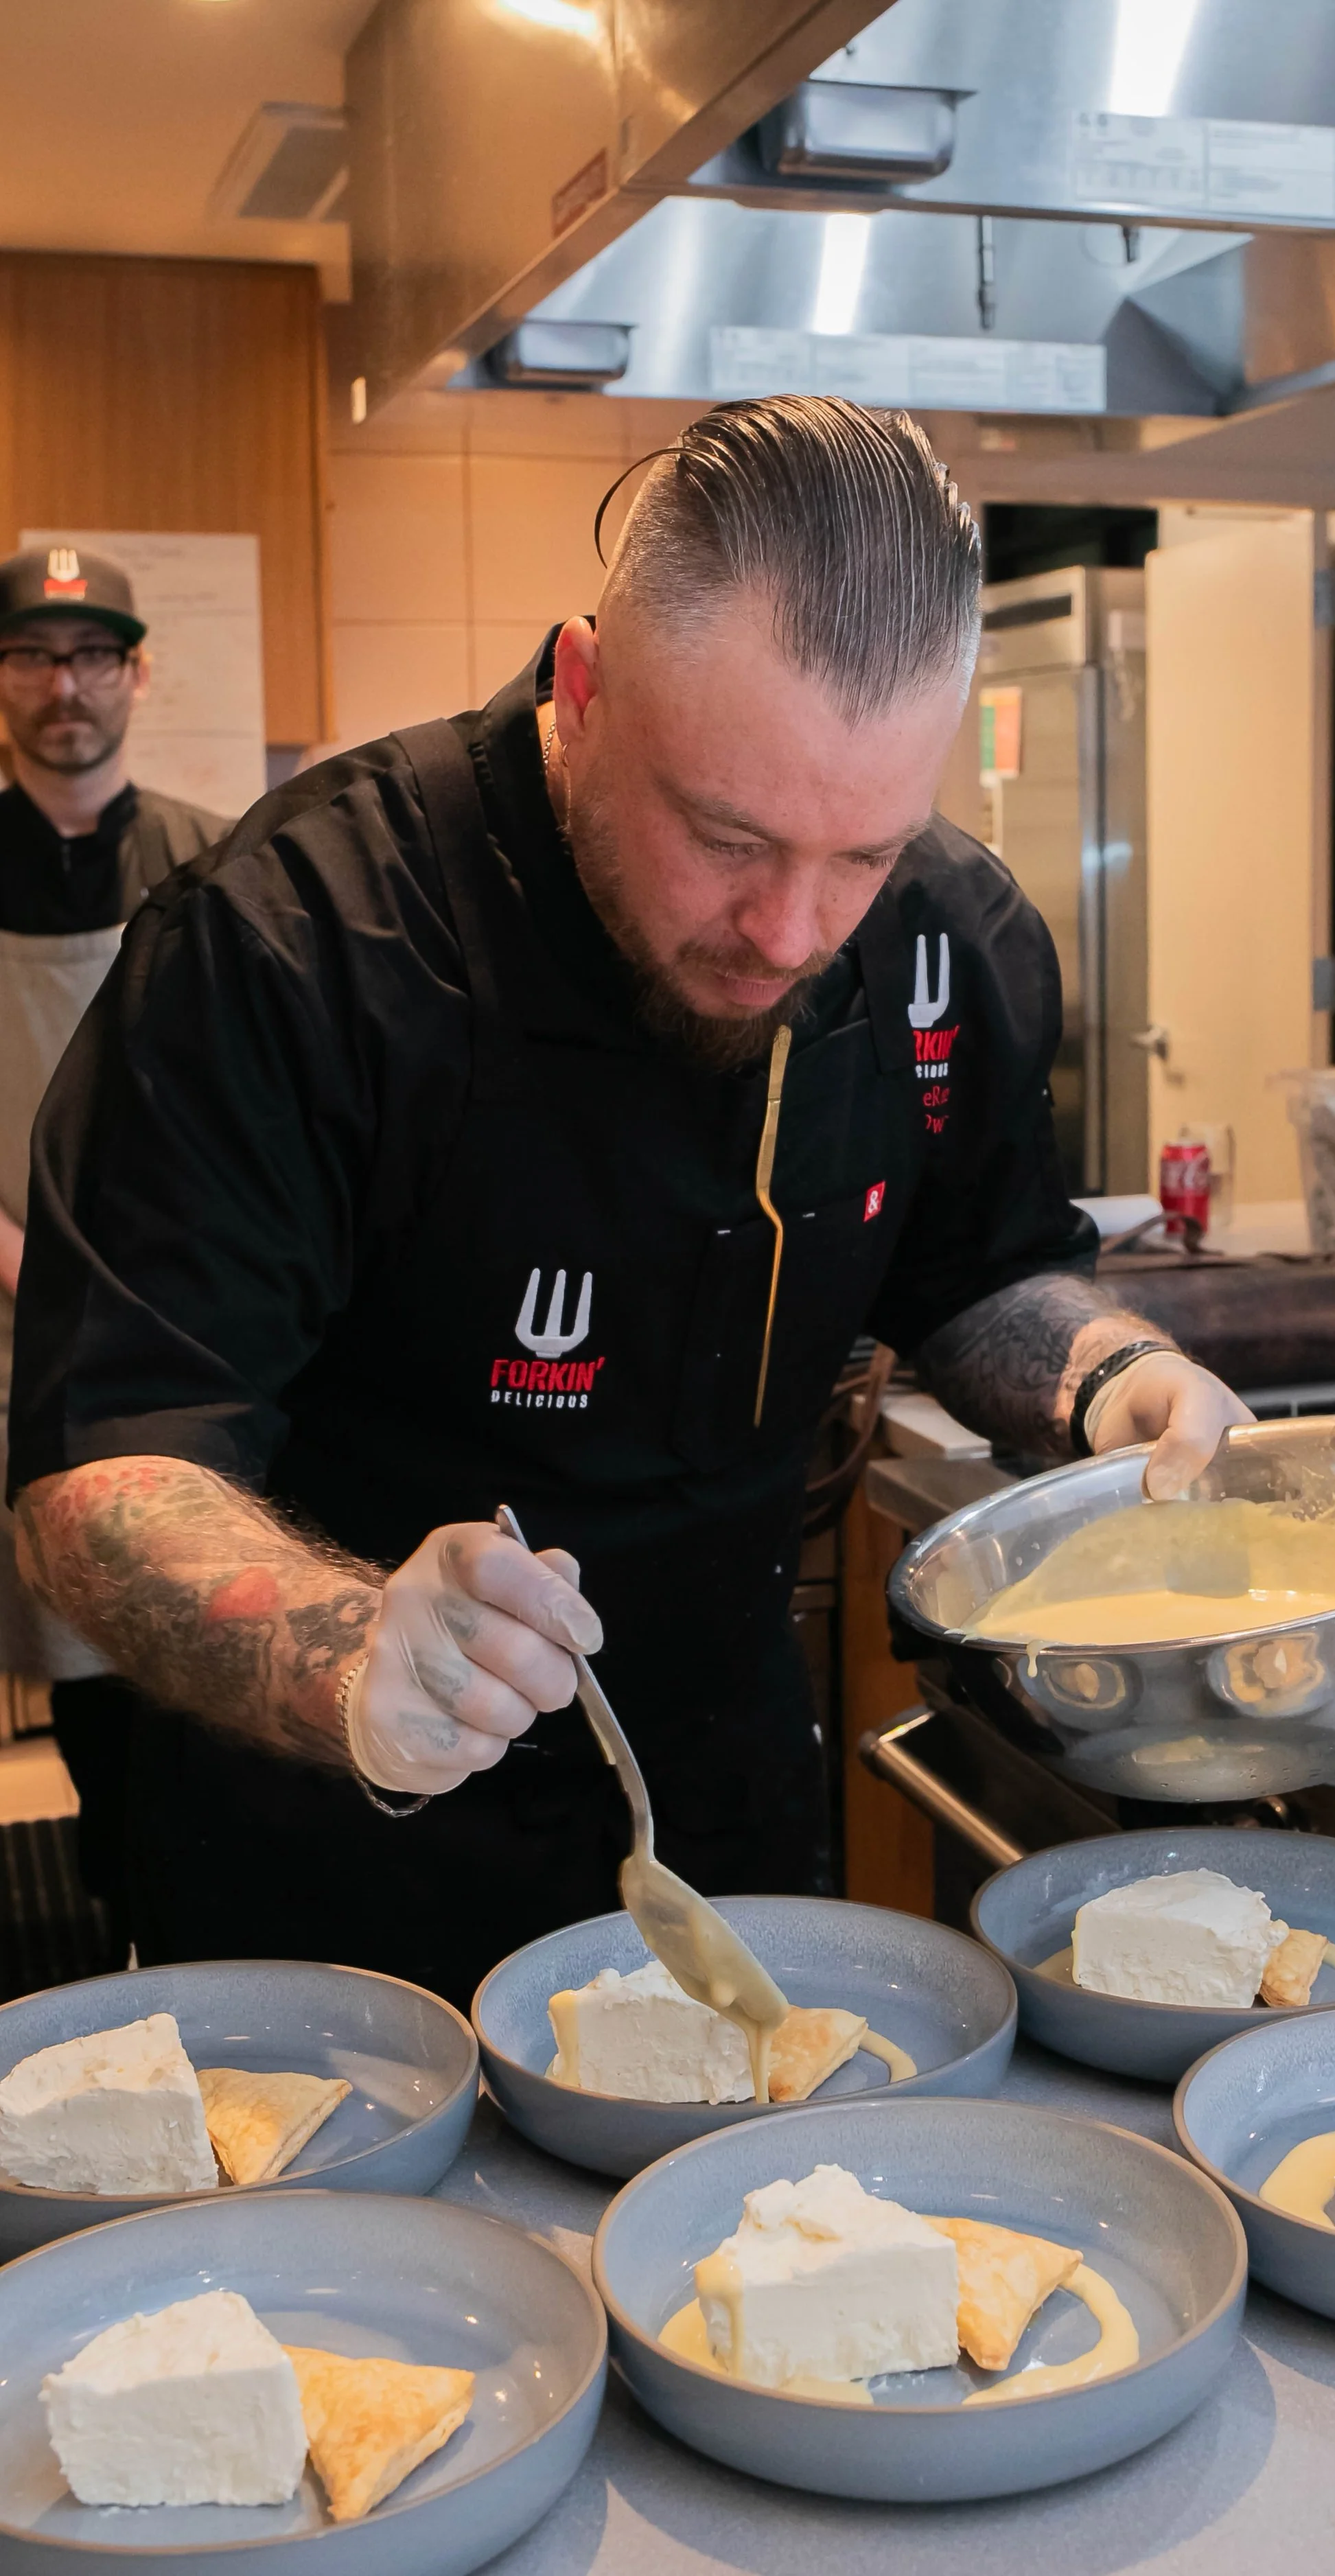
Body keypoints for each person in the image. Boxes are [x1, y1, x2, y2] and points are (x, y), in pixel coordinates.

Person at [8, 401, 1251, 2005]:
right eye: (725, 836)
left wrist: (1109, 1378)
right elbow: (103, 1472)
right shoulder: (295, 945)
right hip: (328, 1861)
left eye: (861, 851)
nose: (792, 930)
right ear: (580, 692)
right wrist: (352, 1656)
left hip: (722, 1813)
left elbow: (980, 1270)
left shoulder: (954, 939)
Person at [0, 548, 228, 1934]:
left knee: (196, 1654)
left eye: (93, 653)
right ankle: (102, 1908)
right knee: (72, 1648)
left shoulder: (216, 857)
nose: (63, 683)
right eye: (33, 653)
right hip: (17, 1335)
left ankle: (185, 1910)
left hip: (187, 1320)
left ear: (137, 672)